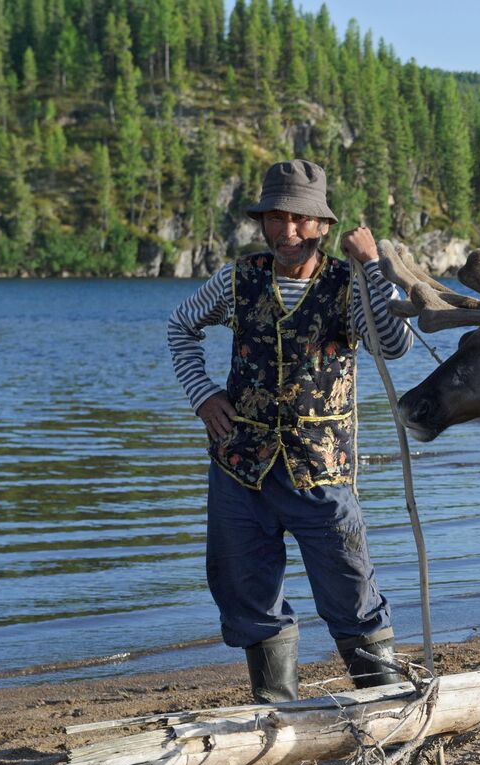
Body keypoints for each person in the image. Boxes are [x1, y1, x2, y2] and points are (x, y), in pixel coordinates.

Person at [167, 158, 414, 703]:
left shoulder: (348, 285)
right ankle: (276, 715)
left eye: (301, 219)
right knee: (247, 592)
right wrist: (203, 395)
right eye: (276, 218)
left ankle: (390, 709)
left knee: (351, 591)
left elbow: (395, 346)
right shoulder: (238, 279)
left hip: (322, 471)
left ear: (323, 226)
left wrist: (372, 267)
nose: (288, 232)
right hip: (240, 467)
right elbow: (180, 325)